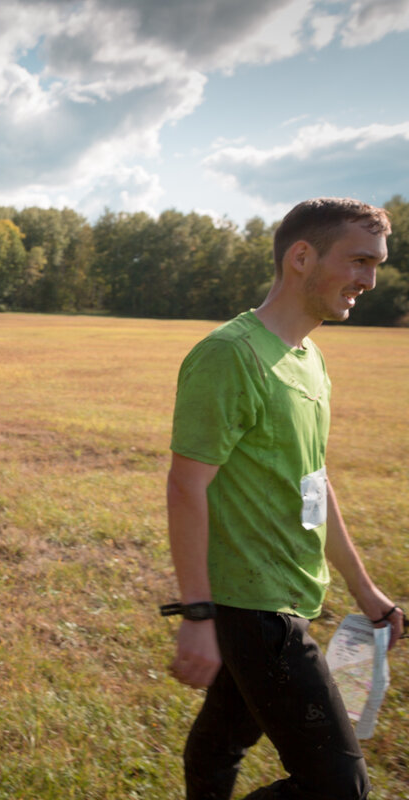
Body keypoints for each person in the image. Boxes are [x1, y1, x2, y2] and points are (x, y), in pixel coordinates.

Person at [164, 196, 404, 799]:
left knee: (222, 741)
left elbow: (314, 482)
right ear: (302, 256)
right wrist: (199, 614)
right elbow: (187, 485)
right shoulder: (230, 355)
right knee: (338, 788)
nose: (368, 280)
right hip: (255, 609)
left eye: (375, 265)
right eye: (358, 261)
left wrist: (365, 591)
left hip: (292, 592)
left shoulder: (309, 358)